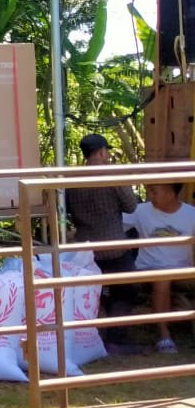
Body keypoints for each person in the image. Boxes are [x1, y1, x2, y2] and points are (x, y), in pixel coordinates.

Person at [65, 133, 140, 353]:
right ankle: (116, 337)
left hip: (85, 247)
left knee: (89, 291)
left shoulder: (72, 179)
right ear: (101, 152)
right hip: (113, 246)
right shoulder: (112, 176)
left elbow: (69, 210)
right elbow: (131, 206)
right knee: (128, 288)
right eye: (106, 151)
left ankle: (90, 334)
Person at [123, 182, 195, 355]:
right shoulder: (140, 211)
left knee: (167, 276)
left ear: (171, 194)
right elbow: (113, 225)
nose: (150, 197)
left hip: (183, 271)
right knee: (162, 278)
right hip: (149, 269)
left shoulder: (191, 214)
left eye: (155, 192)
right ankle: (164, 336)